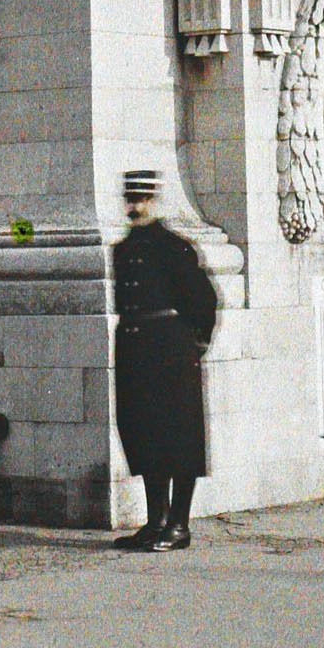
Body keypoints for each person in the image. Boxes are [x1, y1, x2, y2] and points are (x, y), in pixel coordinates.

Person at [110, 167, 219, 552]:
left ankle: (179, 525)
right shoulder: (122, 251)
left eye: (142, 200)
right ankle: (155, 520)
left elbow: (204, 301)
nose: (135, 207)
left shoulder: (174, 247)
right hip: (135, 353)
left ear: (155, 201)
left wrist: (194, 343)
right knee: (143, 435)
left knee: (179, 439)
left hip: (170, 354)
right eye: (131, 200)